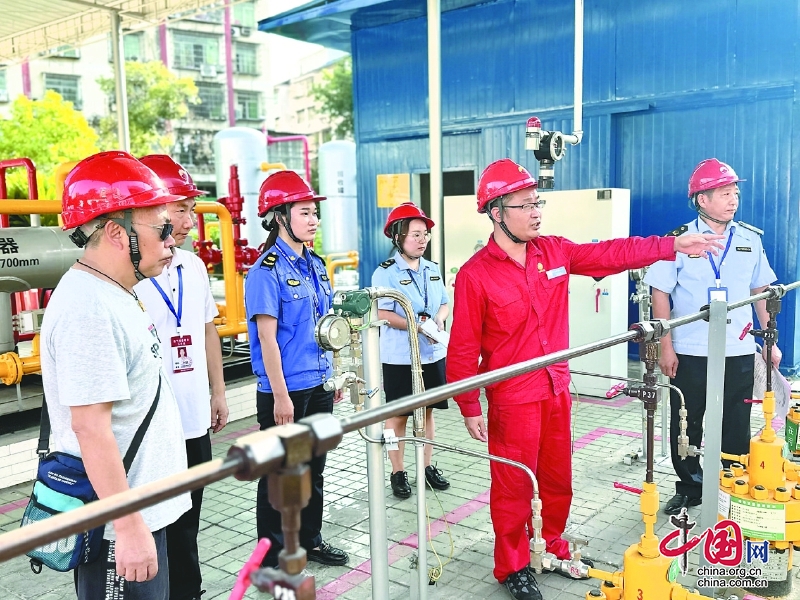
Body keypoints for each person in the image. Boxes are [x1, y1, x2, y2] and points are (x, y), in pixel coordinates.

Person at [445, 158, 724, 600]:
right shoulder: (476, 274)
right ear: (497, 212)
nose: (537, 211)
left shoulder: (554, 251)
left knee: (558, 479)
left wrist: (671, 246)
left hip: (556, 388)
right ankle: (514, 565)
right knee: (515, 484)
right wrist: (468, 406)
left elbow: (610, 253)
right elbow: (462, 349)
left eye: (538, 202)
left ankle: (551, 546)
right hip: (512, 397)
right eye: (525, 205)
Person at [40, 151, 191, 599]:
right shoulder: (89, 307)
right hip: (118, 527)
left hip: (140, 513)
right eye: (161, 228)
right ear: (115, 232)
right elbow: (90, 426)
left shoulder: (117, 292)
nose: (172, 240)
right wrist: (127, 528)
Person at [644, 158, 779, 516]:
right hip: (690, 349)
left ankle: (731, 483)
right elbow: (661, 293)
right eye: (724, 193)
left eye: (735, 192)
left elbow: (761, 289)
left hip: (737, 346)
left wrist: (769, 342)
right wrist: (665, 346)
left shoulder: (750, 238)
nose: (733, 200)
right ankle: (690, 486)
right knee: (686, 419)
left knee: (736, 417)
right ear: (702, 199)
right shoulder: (677, 240)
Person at [134, 154, 229, 600]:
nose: (191, 219)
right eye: (182, 208)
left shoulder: (192, 266)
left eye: (192, 208)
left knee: (190, 515)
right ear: (153, 209)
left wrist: (218, 391)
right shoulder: (130, 274)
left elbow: (207, 328)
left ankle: (188, 591)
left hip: (192, 415)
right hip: (152, 426)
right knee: (157, 521)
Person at [244, 170, 348, 568]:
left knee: (313, 469)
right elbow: (267, 340)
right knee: (280, 474)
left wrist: (332, 373)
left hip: (318, 383)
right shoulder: (265, 271)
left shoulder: (316, 265)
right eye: (305, 212)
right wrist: (282, 395)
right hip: (285, 391)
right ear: (280, 216)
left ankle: (310, 539)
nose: (314, 220)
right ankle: (271, 557)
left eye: (314, 213)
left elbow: (326, 325)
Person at [371, 202, 450, 499]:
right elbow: (384, 314)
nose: (422, 240)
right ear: (398, 238)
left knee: (428, 411)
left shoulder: (432, 269)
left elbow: (443, 302)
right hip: (400, 358)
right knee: (398, 416)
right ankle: (397, 471)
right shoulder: (385, 273)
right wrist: (416, 327)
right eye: (415, 235)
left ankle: (426, 467)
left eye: (425, 234)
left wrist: (438, 320)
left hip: (431, 354)